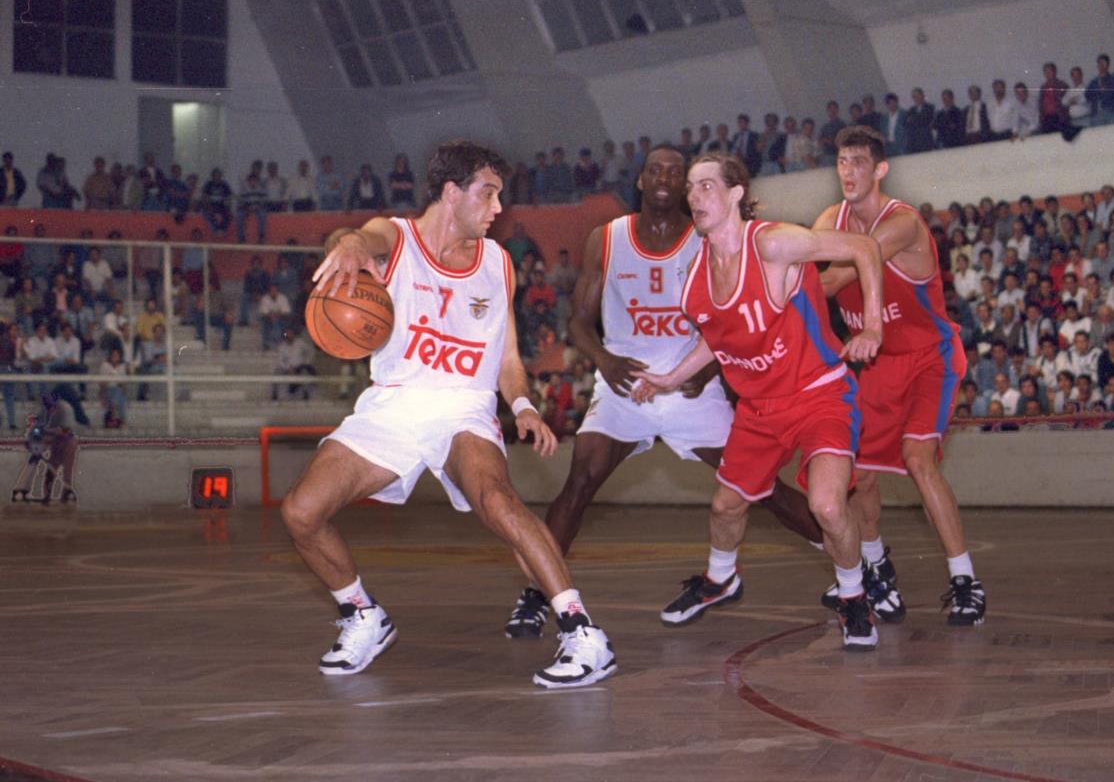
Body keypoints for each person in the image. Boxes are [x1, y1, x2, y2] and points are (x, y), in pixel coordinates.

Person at [283, 140, 615, 688]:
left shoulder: (496, 262)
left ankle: (583, 634)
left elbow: (505, 355)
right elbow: (363, 236)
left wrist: (525, 405)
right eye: (488, 194)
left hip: (463, 404)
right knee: (301, 512)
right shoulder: (397, 239)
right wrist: (346, 245)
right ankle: (362, 614)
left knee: (498, 502)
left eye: (500, 196)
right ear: (450, 192)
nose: (498, 208)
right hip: (393, 403)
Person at [503, 146, 825, 639]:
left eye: (677, 173)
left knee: (762, 489)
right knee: (581, 480)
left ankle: (854, 558)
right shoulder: (605, 239)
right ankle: (536, 596)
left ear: (686, 187)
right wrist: (605, 360)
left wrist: (711, 365)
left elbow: (735, 314)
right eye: (656, 169)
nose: (665, 178)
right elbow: (579, 322)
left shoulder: (708, 238)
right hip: (624, 380)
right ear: (640, 179)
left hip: (691, 381)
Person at [633, 152, 885, 651]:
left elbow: (864, 248)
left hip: (819, 396)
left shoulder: (772, 244)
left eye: (707, 186)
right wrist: (668, 378)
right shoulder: (695, 283)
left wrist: (872, 322)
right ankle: (720, 579)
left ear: (735, 195)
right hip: (758, 409)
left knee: (828, 506)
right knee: (726, 507)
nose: (695, 195)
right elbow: (719, 338)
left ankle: (854, 595)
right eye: (691, 187)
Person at [817, 125, 986, 628]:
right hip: (874, 363)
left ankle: (965, 581)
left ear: (880, 169)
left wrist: (773, 278)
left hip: (927, 358)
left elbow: (833, 277)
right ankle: (876, 569)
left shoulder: (903, 224)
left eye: (859, 162)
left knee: (918, 458)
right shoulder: (831, 218)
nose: (848, 171)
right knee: (858, 475)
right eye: (842, 161)